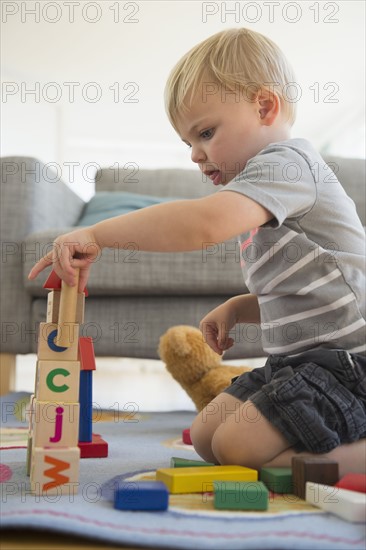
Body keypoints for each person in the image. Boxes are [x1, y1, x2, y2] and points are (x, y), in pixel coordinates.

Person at [29, 28, 366, 477]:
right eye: (188, 141)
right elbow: (316, 295)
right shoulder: (268, 200)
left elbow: (202, 225)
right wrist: (237, 308)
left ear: (264, 107)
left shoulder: (288, 165)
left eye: (205, 132)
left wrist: (99, 234)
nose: (194, 154)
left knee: (238, 446)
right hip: (298, 363)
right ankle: (295, 458)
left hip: (349, 366)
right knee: (208, 437)